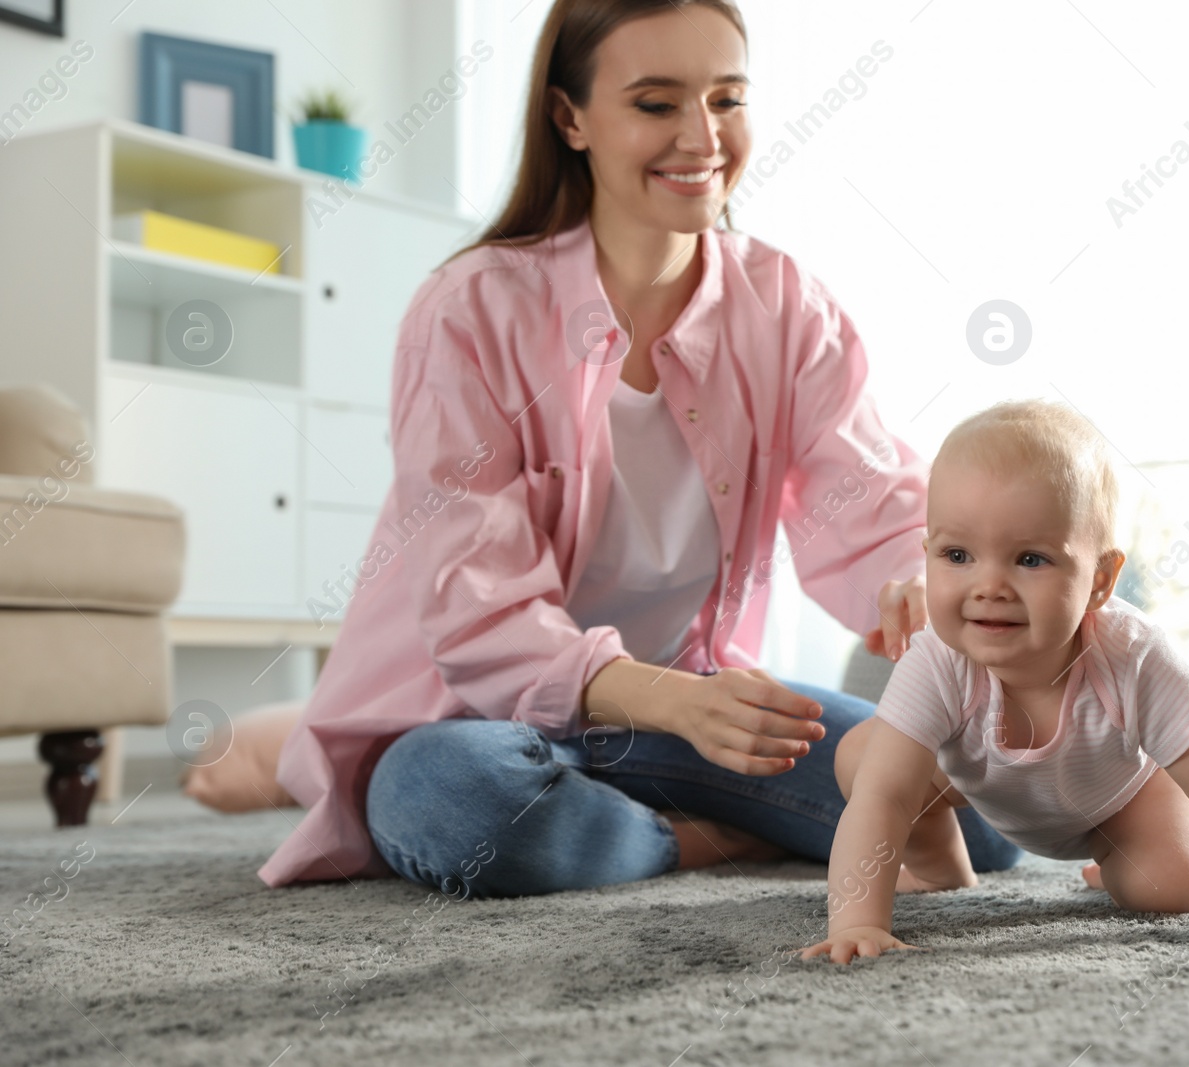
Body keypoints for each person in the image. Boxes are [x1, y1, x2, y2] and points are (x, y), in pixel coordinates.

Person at [258, 0, 1021, 896]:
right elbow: (478, 607)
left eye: (727, 99)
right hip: (477, 718)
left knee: (979, 808)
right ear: (569, 117)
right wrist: (673, 704)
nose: (703, 137)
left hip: (689, 708)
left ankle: (638, 827)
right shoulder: (468, 310)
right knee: (461, 808)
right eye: (657, 104)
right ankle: (712, 839)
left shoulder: (786, 304)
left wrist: (908, 580)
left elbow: (868, 494)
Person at [801, 400, 1189, 964]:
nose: (990, 586)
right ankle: (940, 868)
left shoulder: (1133, 657)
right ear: (927, 554)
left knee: (1174, 891)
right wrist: (857, 923)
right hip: (983, 784)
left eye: (1030, 559)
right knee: (866, 759)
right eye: (958, 555)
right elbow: (885, 795)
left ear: (1100, 581)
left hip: (1119, 796)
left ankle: (1115, 858)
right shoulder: (938, 659)